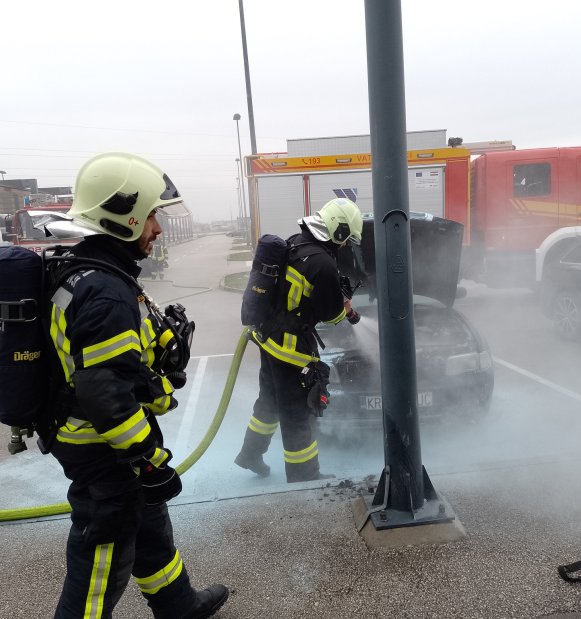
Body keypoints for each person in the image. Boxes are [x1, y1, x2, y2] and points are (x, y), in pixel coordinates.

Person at [45, 152, 228, 618]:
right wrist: (149, 458)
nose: (158, 228)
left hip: (104, 444)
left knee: (148, 526)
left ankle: (178, 606)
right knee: (100, 564)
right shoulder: (106, 292)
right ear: (122, 216)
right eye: (150, 215)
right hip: (106, 450)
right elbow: (104, 395)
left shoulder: (93, 271)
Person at [234, 198, 363, 483]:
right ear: (338, 232)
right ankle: (304, 475)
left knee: (268, 402)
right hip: (291, 353)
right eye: (346, 240)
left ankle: (250, 454)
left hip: (268, 341)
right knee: (298, 414)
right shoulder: (323, 263)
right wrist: (344, 308)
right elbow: (331, 317)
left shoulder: (296, 242)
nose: (344, 247)